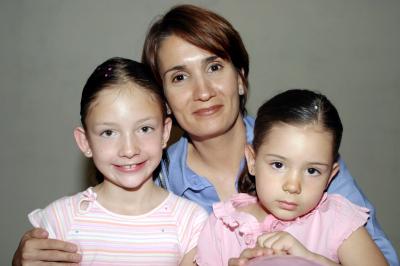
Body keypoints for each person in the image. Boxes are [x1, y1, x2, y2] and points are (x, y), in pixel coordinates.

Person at [12, 4, 398, 266]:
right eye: (179, 76)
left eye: (214, 67)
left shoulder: (301, 151)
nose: (202, 91)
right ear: (162, 101)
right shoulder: (151, 175)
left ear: (241, 78)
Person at [24, 57, 207, 265]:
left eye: (144, 129)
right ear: (85, 142)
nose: (129, 150)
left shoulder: (190, 222)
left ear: (165, 132)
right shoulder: (59, 220)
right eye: (109, 132)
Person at [195, 89, 388, 266]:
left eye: (312, 171)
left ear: (330, 176)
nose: (293, 186)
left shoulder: (337, 220)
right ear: (252, 161)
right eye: (278, 165)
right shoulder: (223, 225)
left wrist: (310, 259)